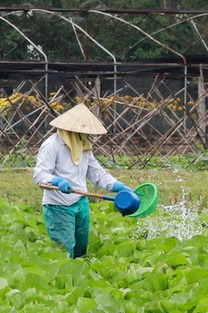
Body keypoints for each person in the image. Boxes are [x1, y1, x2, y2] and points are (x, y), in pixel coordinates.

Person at [33, 103, 137, 258]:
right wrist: (56, 181)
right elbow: (39, 175)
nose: (86, 135)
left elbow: (97, 173)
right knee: (64, 250)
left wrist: (116, 186)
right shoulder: (52, 145)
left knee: (81, 251)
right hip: (59, 205)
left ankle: (81, 279)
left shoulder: (83, 146)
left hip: (80, 202)